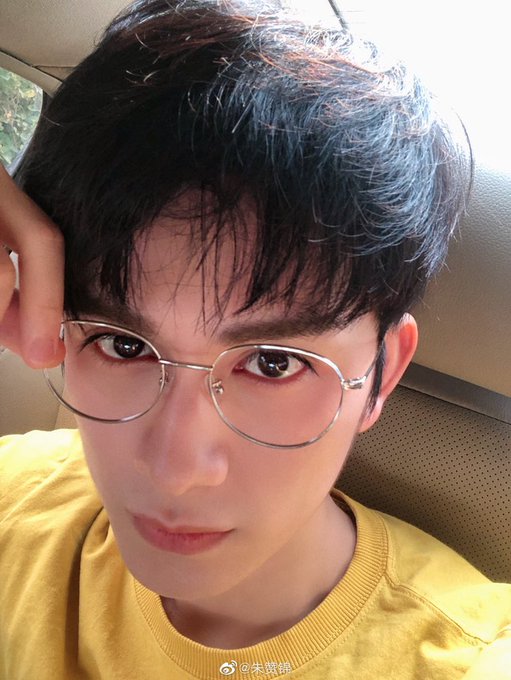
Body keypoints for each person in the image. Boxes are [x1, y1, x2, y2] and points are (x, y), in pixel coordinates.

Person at [0, 1, 509, 678]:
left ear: (382, 375)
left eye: (273, 364)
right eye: (124, 346)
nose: (175, 469)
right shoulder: (18, 497)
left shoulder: (470, 659)